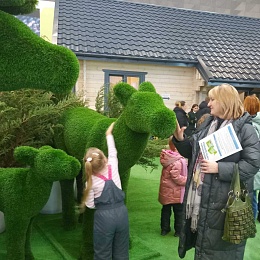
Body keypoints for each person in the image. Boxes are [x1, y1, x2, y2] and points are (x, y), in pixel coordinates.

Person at [172, 83, 260, 260]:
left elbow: (253, 164)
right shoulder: (209, 124)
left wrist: (219, 168)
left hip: (225, 206)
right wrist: (180, 139)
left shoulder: (245, 130)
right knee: (205, 247)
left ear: (225, 101)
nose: (209, 103)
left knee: (221, 252)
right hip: (206, 200)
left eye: (213, 99)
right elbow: (193, 150)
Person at [81, 122, 129, 260]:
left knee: (102, 253)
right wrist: (109, 134)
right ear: (104, 159)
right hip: (122, 214)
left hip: (103, 218)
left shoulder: (90, 181)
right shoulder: (113, 165)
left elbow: (90, 204)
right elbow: (113, 151)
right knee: (121, 251)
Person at [158, 137, 187, 237]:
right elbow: (176, 177)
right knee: (178, 212)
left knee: (165, 210)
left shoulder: (167, 157)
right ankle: (178, 231)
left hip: (166, 191)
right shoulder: (177, 161)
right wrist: (186, 180)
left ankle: (164, 229)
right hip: (176, 192)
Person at [243, 95, 260, 221]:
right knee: (254, 195)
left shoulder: (248, 124)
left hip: (251, 162)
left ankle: (250, 223)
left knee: (251, 196)